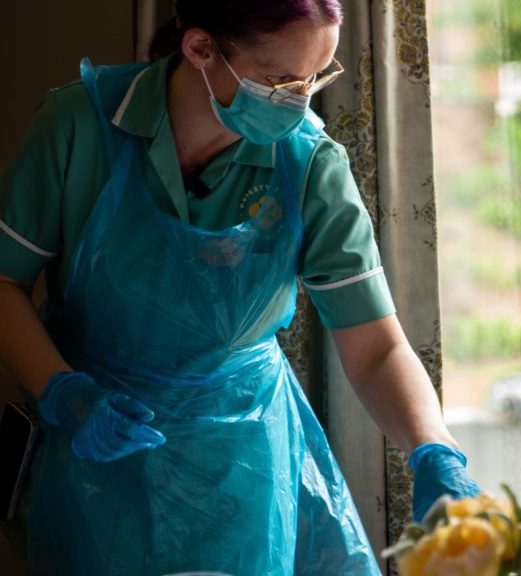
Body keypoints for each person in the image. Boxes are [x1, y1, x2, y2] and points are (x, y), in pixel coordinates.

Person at [0, 1, 478, 574]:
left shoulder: (308, 163)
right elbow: (4, 282)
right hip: (95, 447)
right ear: (200, 48)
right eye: (279, 82)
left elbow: (375, 347)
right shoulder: (80, 126)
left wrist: (433, 449)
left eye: (314, 78)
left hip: (245, 462)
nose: (300, 102)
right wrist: (65, 395)